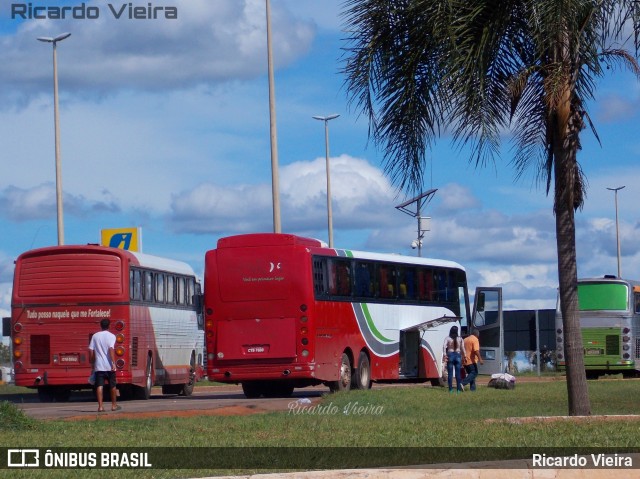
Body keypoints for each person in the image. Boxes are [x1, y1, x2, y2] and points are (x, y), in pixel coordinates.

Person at [88, 318, 120, 412]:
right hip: (109, 366)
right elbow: (111, 349)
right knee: (112, 386)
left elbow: (90, 350)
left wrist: (92, 363)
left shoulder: (95, 336)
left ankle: (100, 407)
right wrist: (113, 363)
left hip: (99, 366)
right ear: (109, 326)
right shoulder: (111, 336)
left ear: (100, 326)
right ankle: (114, 405)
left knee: (99, 385)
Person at [442, 325, 466, 393]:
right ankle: (458, 390)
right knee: (458, 374)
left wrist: (444, 355)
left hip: (450, 355)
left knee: (450, 374)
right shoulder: (460, 338)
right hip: (458, 355)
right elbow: (463, 348)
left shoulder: (447, 338)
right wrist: (465, 356)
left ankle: (450, 390)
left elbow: (444, 346)